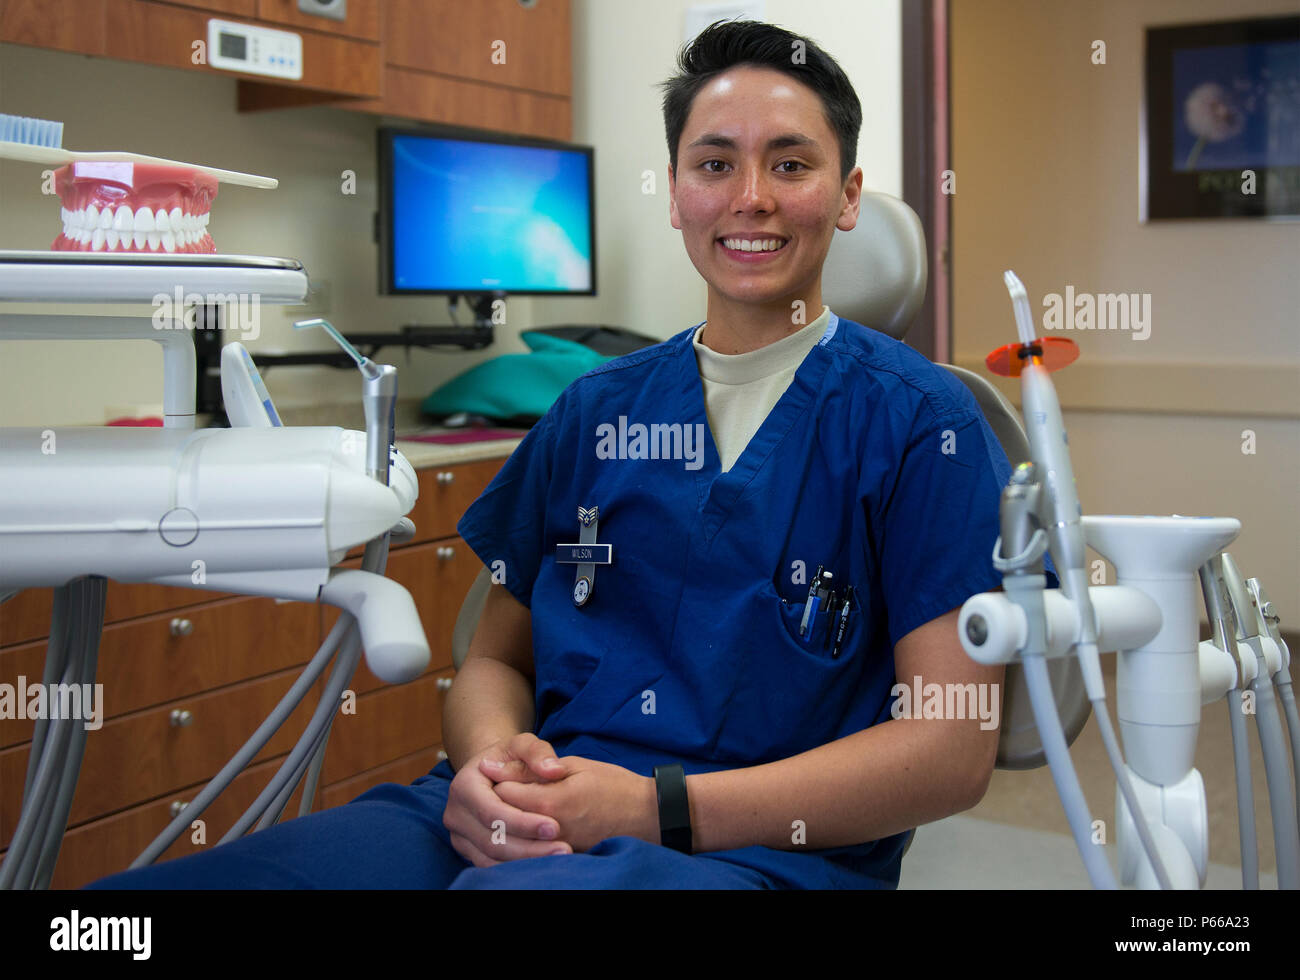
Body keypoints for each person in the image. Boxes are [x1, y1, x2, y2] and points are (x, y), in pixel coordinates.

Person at [90, 19, 1014, 890]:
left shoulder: (919, 422)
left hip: (751, 855)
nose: (750, 197)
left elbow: (950, 748)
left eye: (792, 163)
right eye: (716, 162)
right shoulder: (592, 412)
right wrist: (489, 770)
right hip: (530, 813)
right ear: (677, 189)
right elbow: (493, 661)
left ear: (848, 195)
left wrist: (659, 809)